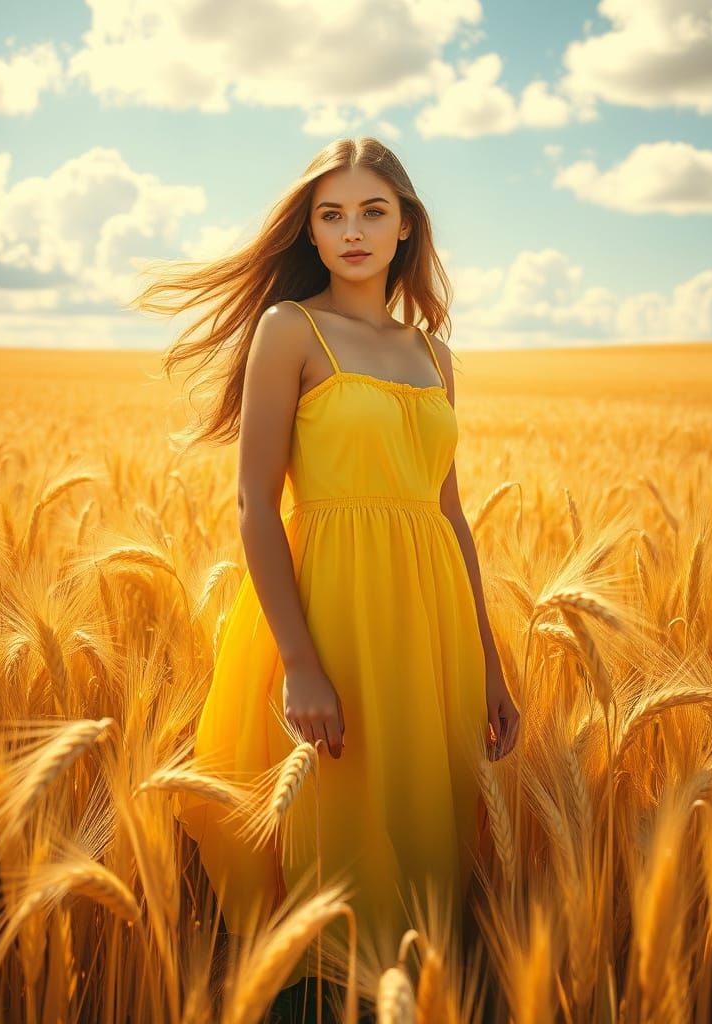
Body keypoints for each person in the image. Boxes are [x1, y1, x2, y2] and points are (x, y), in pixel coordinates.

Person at [130, 136, 520, 1015]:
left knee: (422, 833)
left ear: (406, 227)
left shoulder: (434, 355)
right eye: (331, 214)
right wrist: (300, 661)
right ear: (309, 231)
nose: (352, 231)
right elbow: (256, 506)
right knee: (335, 841)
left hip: (430, 625)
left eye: (372, 212)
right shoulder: (290, 330)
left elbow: (448, 512)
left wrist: (490, 661)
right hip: (330, 609)